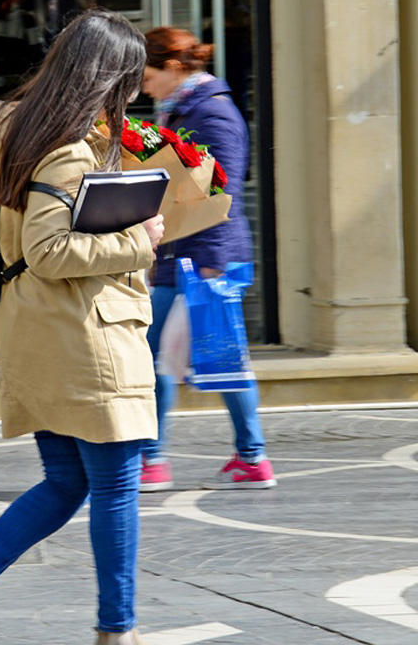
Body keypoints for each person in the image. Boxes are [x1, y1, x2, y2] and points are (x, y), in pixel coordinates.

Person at [0, 9, 165, 645]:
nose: (132, 96)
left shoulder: (19, 134)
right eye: (128, 82)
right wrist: (139, 240)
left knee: (68, 480)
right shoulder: (66, 153)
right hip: (83, 338)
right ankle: (119, 632)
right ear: (106, 77)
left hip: (35, 332)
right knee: (115, 486)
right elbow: (50, 250)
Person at [137, 26, 275, 492]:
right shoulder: (184, 110)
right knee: (219, 357)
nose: (142, 84)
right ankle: (251, 457)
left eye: (148, 73)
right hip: (189, 257)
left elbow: (222, 192)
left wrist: (212, 266)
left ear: (174, 68)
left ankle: (152, 461)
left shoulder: (211, 115)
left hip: (206, 260)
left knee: (163, 356)